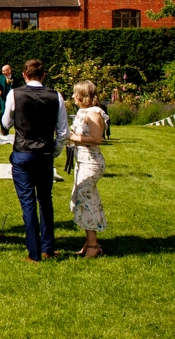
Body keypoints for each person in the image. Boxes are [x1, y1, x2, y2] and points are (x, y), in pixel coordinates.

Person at [1, 58, 69, 262]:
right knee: (45, 200)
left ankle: (34, 252)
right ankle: (47, 246)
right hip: (45, 153)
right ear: (44, 75)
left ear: (23, 75)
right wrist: (54, 151)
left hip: (23, 152)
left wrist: (12, 124)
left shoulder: (15, 94)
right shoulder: (56, 96)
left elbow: (5, 121)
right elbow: (63, 131)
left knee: (28, 203)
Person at [69, 79, 108, 258]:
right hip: (83, 161)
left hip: (91, 163)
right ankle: (91, 242)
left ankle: (92, 245)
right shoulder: (85, 112)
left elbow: (97, 138)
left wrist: (72, 137)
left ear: (82, 96)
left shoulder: (93, 114)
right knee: (87, 199)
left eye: (75, 94)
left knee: (84, 200)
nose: (72, 97)